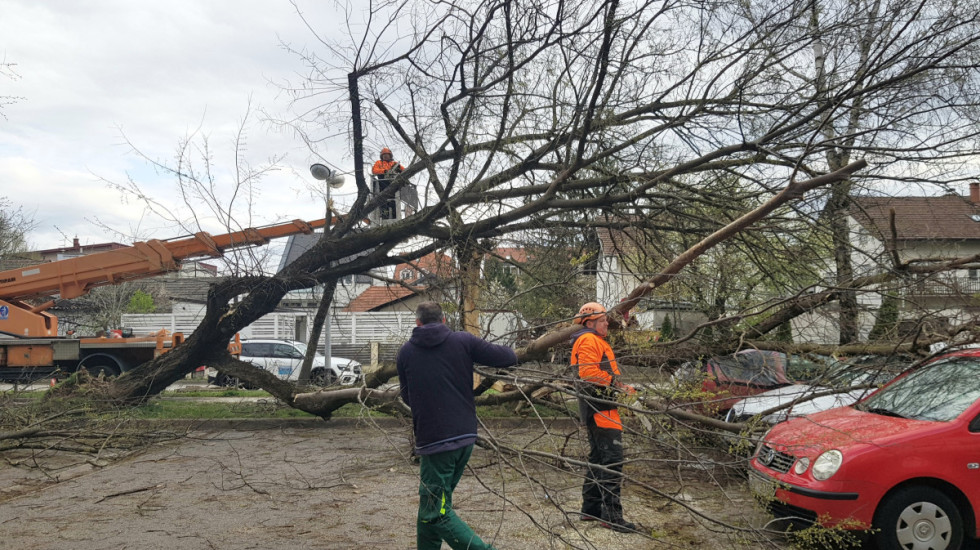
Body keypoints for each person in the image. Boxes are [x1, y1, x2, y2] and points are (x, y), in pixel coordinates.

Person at [397, 301, 518, 550]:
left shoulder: (406, 352)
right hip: (465, 436)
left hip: (434, 441)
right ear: (443, 320)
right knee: (431, 506)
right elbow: (508, 358)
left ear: (417, 323)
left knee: (435, 512)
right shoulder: (463, 341)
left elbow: (407, 397)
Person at [571, 301, 637, 532]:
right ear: (589, 322)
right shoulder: (588, 340)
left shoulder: (593, 340)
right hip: (600, 409)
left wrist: (620, 388)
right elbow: (588, 373)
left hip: (600, 407)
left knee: (598, 460)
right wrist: (617, 386)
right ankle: (611, 516)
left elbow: (599, 373)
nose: (606, 322)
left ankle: (590, 509)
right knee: (612, 461)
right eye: (601, 320)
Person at [371, 147, 404, 220]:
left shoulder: (394, 164)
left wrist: (399, 170)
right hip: (382, 184)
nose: (385, 156)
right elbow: (374, 171)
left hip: (393, 185)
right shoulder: (379, 163)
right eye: (384, 155)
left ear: (390, 155)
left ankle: (395, 217)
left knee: (394, 203)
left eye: (387, 154)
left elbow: (404, 170)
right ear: (381, 156)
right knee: (383, 203)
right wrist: (385, 171)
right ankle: (384, 218)